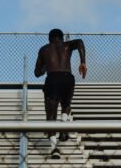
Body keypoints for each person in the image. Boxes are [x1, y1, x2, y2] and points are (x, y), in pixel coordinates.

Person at [34, 29, 87, 157]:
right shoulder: (67, 45)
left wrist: (46, 66)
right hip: (67, 78)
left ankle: (54, 149)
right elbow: (80, 42)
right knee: (66, 104)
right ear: (62, 38)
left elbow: (37, 73)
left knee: (51, 115)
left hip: (52, 79)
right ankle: (63, 123)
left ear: (49, 39)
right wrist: (83, 62)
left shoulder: (44, 49)